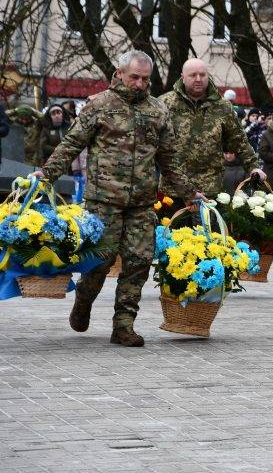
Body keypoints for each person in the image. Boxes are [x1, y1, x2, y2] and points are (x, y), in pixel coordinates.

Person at [31, 51, 199, 347]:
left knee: (138, 262)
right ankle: (84, 300)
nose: (139, 84)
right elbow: (71, 144)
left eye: (145, 79)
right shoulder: (99, 105)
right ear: (119, 73)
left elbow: (170, 160)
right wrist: (47, 174)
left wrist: (189, 193)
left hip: (142, 203)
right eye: (134, 77)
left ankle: (123, 325)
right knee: (99, 261)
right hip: (103, 202)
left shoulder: (157, 111)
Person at [159, 58, 263, 198]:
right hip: (173, 191)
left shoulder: (222, 107)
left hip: (210, 189)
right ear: (183, 77)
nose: (198, 79)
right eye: (192, 75)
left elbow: (239, 140)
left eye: (202, 75)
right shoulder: (165, 104)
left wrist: (253, 166)